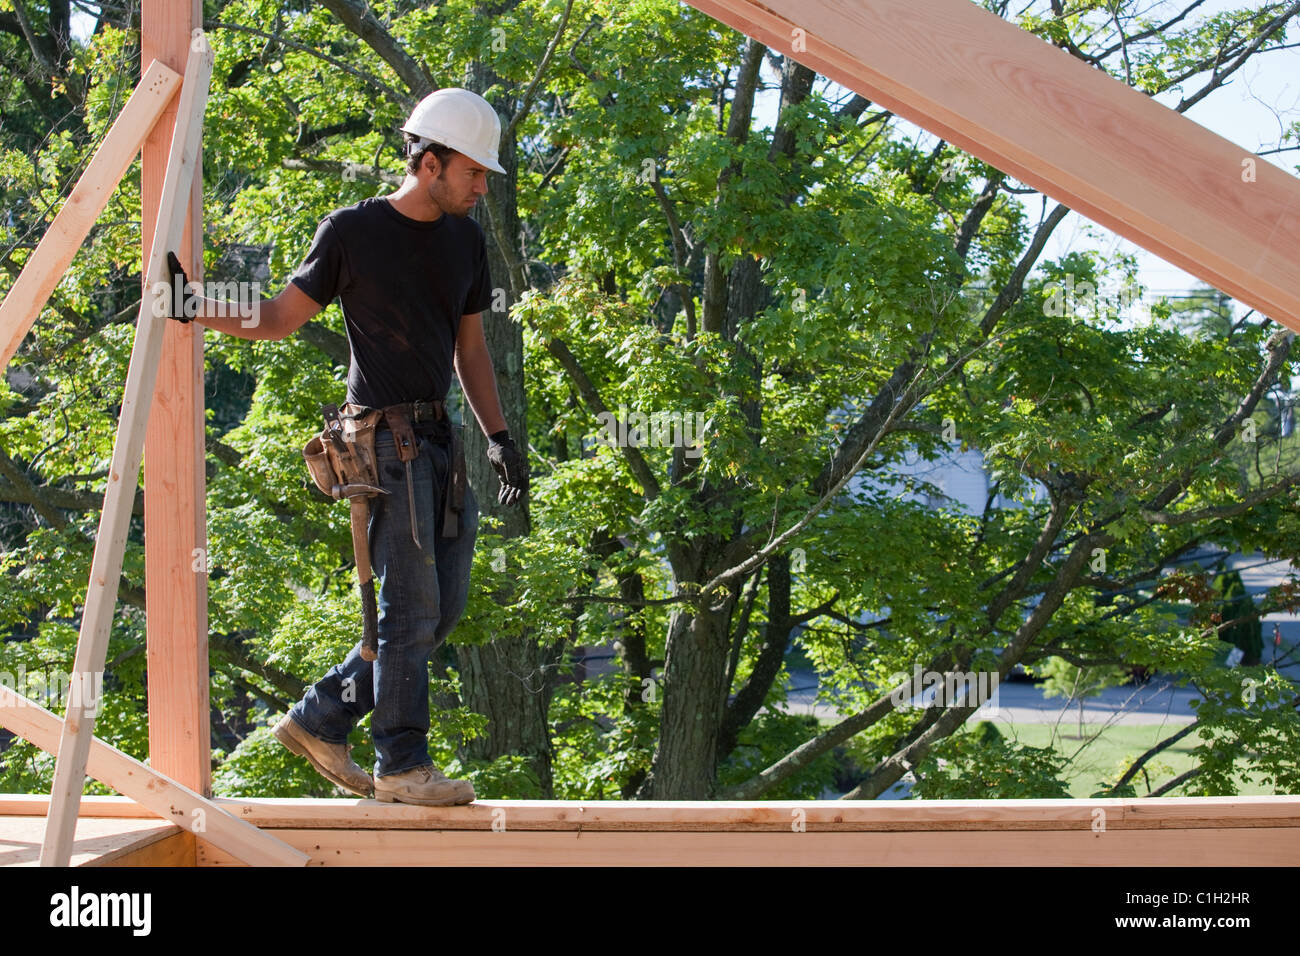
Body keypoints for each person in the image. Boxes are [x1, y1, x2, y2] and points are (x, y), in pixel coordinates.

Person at [162, 88, 528, 806]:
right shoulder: (352, 232)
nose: (483, 188)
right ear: (429, 163)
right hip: (385, 445)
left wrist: (500, 437)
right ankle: (403, 767)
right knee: (410, 615)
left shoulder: (465, 241)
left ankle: (322, 717)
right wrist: (192, 304)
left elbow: (473, 350)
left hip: (442, 442)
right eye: (474, 173)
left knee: (438, 614)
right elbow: (277, 318)